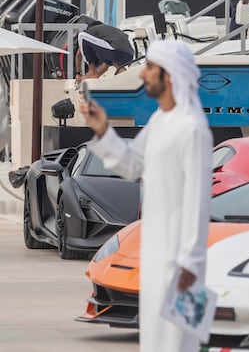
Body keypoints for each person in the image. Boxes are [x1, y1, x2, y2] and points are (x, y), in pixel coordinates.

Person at [80, 40, 212, 352]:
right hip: (154, 256)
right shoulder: (160, 122)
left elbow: (197, 200)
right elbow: (131, 166)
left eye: (150, 68)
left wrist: (190, 264)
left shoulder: (192, 128)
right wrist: (103, 131)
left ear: (169, 75)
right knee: (154, 341)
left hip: (179, 264)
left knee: (176, 343)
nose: (142, 75)